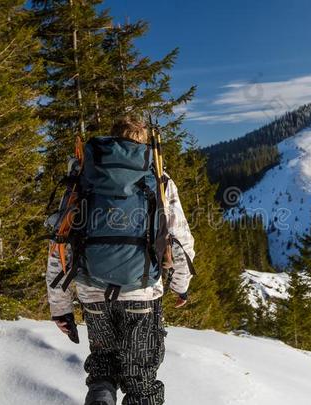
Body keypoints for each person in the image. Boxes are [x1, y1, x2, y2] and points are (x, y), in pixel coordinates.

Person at [46, 116, 195, 405]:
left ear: (113, 139)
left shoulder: (85, 175)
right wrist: (180, 285)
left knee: (103, 365)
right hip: (141, 292)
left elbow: (59, 244)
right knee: (141, 379)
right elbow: (180, 239)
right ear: (142, 144)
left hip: (92, 292)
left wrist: (60, 308)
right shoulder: (158, 177)